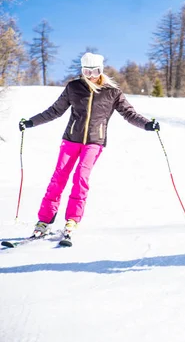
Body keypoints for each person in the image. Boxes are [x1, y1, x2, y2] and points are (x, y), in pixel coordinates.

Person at [18, 52, 160, 239]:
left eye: (95, 70)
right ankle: (44, 220)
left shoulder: (112, 92)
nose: (91, 75)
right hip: (70, 139)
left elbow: (129, 114)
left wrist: (147, 124)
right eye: (86, 70)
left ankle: (72, 220)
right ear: (82, 70)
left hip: (94, 142)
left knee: (81, 178)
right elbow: (55, 111)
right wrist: (31, 122)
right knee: (58, 177)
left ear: (101, 70)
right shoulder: (74, 87)